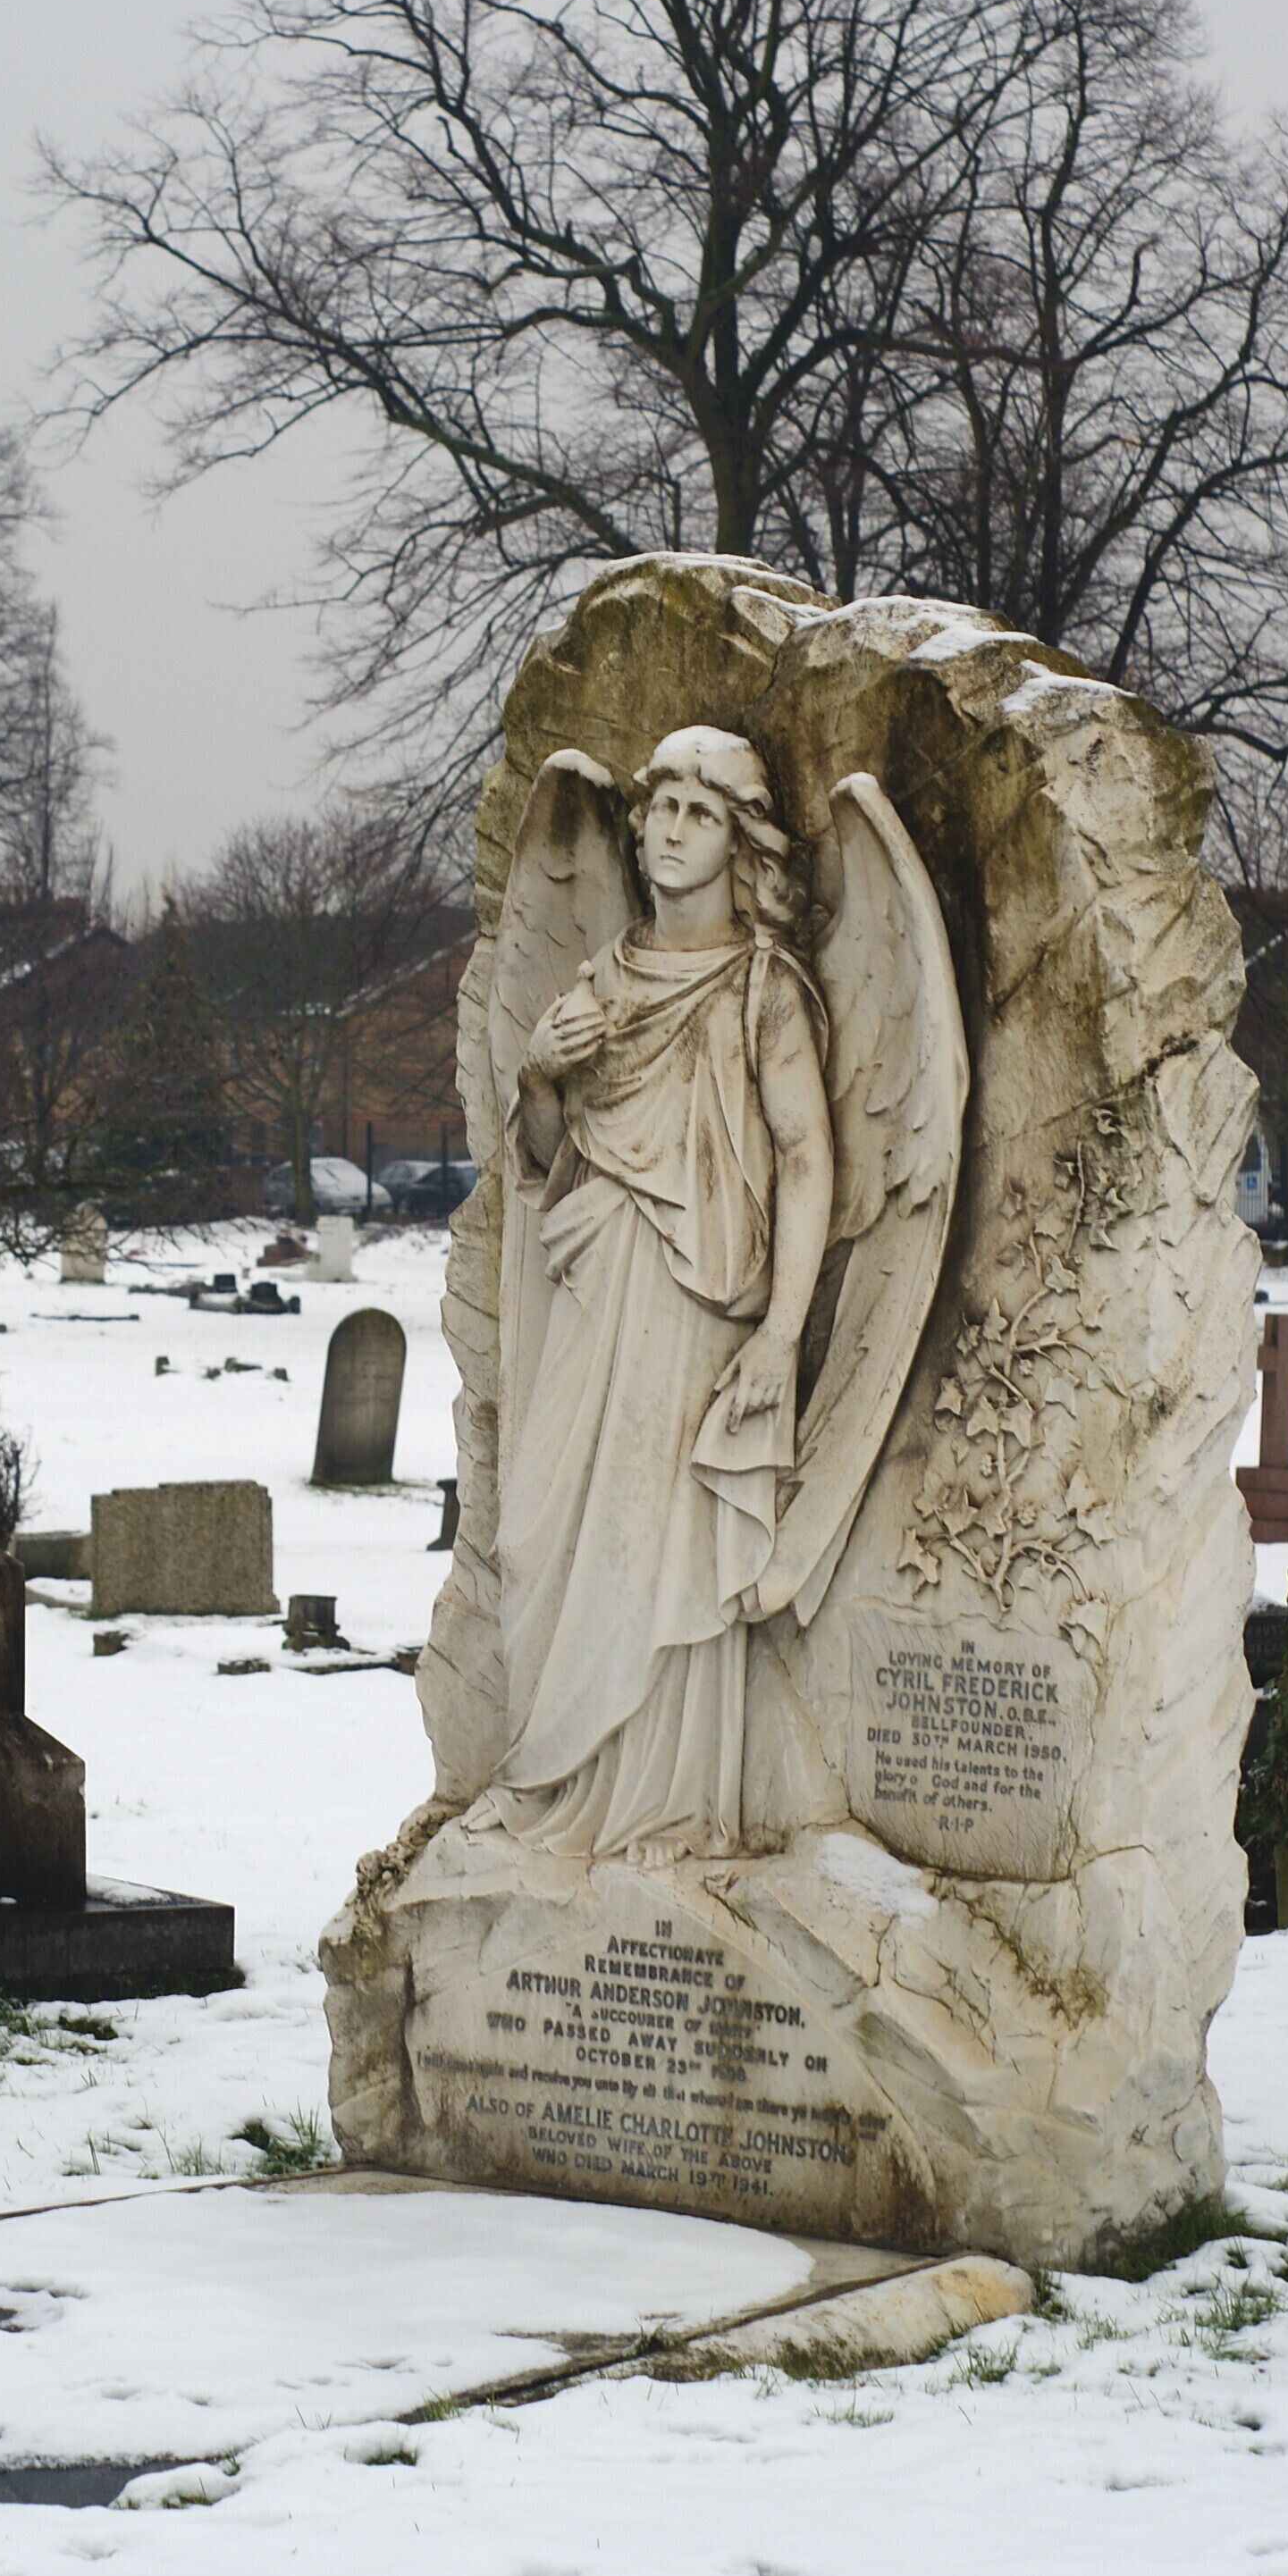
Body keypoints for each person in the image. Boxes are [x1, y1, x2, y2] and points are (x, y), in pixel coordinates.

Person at [467, 726, 833, 1860]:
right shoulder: (604, 977)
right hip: (592, 1291)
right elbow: (545, 1165)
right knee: (549, 1525)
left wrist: (779, 1335)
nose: (669, 831)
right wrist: (542, 1073)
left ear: (739, 844)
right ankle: (552, 1782)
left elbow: (809, 1161)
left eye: (698, 813)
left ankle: (663, 1809)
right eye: (659, 808)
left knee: (662, 1539)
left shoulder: (763, 988)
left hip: (694, 1310)